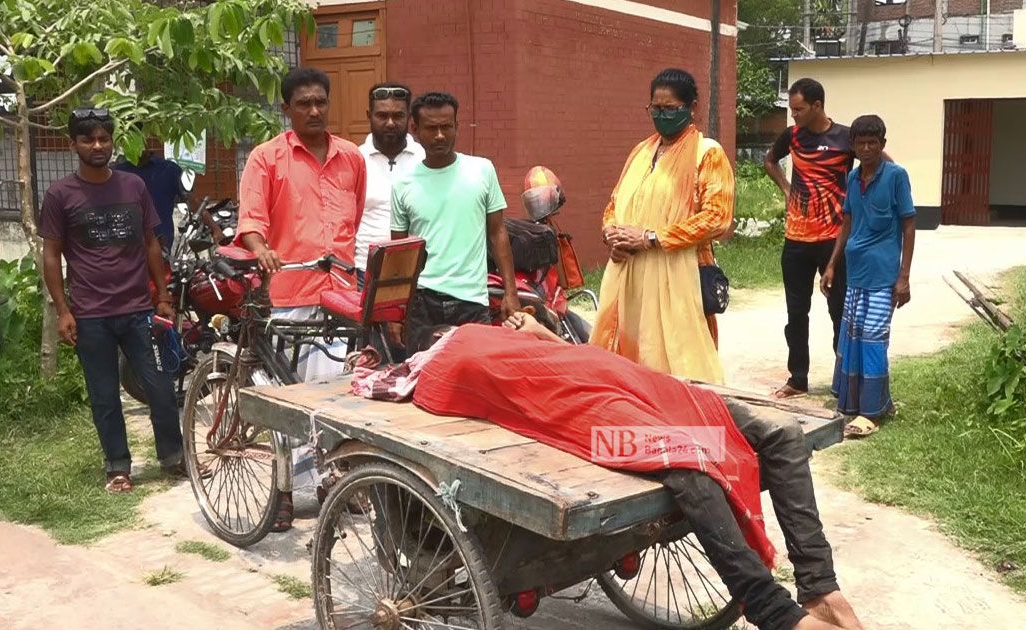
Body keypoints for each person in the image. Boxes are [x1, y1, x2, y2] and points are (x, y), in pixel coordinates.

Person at [352, 314, 863, 630]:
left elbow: (577, 355)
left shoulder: (521, 336)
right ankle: (774, 613)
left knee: (781, 433)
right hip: (591, 413)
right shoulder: (448, 358)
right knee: (688, 460)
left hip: (634, 384)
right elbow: (426, 383)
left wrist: (542, 332)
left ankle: (820, 584)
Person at [236, 66, 367, 530]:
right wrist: (262, 250)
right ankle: (285, 490)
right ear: (287, 108)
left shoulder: (351, 157)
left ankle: (335, 483)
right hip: (289, 292)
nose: (314, 110)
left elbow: (353, 221)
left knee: (337, 394)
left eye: (321, 102)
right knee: (287, 399)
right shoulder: (266, 158)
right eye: (304, 103)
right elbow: (250, 220)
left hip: (340, 294)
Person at [37, 108, 184, 494]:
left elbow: (151, 242)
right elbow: (51, 255)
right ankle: (118, 467)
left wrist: (163, 296)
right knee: (105, 397)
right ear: (74, 145)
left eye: (104, 138)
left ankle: (173, 457)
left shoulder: (133, 186)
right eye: (88, 139)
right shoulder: (59, 195)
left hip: (138, 310)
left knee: (161, 388)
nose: (98, 145)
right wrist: (63, 311)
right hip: (90, 317)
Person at [592, 68, 733, 384]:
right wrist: (611, 233)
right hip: (630, 274)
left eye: (670, 109)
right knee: (629, 361)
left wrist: (651, 237)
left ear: (691, 107)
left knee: (679, 362)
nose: (661, 115)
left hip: (680, 276)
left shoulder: (707, 153)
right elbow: (615, 204)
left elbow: (717, 217)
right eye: (655, 108)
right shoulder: (641, 152)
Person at [389, 91, 520, 353]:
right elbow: (399, 255)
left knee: (476, 380)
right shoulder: (402, 184)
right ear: (415, 129)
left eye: (447, 127)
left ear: (457, 126)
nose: (439, 135)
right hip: (422, 303)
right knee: (421, 380)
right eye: (431, 128)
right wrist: (395, 310)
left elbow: (497, 233)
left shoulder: (482, 170)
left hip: (472, 300)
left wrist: (511, 292)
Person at [820, 115, 915, 439]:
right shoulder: (853, 178)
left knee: (874, 340)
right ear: (854, 146)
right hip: (855, 273)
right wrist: (832, 264)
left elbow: (909, 225)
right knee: (853, 338)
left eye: (873, 142)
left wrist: (904, 276)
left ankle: (870, 413)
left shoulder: (897, 176)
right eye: (860, 143)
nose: (866, 148)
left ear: (882, 145)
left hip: (883, 274)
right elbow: (846, 223)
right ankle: (869, 402)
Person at [764, 78, 855, 400]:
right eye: (792, 110)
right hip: (797, 240)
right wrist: (787, 189)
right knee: (796, 312)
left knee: (839, 311)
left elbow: (882, 165)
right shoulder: (792, 136)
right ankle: (797, 378)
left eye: (799, 110)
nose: (794, 116)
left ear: (817, 106)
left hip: (833, 240)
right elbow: (769, 161)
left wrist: (859, 205)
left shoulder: (846, 137)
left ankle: (843, 378)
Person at [355, 82, 424, 287]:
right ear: (369, 116)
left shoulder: (425, 158)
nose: (391, 123)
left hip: (417, 273)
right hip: (364, 271)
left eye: (398, 116)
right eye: (382, 116)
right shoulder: (354, 159)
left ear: (409, 117)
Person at [113, 146, 185, 254]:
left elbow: (191, 200)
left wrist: (214, 228)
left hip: (161, 244)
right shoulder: (117, 173)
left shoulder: (169, 169)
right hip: (126, 247)